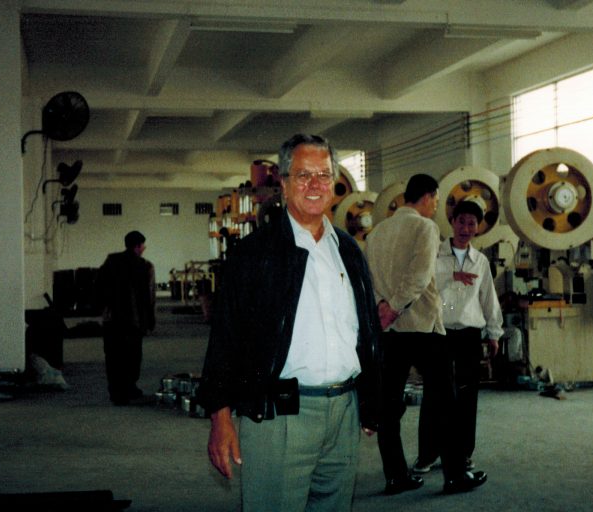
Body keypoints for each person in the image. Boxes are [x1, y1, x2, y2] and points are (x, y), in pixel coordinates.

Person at [198, 134, 381, 512]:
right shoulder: (253, 253)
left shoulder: (348, 250)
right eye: (303, 175)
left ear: (335, 183)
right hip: (279, 416)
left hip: (344, 413)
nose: (315, 185)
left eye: (324, 175)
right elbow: (226, 337)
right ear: (283, 183)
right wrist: (220, 416)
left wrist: (371, 399)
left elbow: (366, 328)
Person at [363, 173, 444, 495]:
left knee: (388, 406)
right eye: (436, 200)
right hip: (421, 326)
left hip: (390, 331)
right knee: (445, 399)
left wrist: (382, 308)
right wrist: (395, 307)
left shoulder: (377, 232)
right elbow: (419, 277)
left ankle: (395, 476)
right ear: (428, 196)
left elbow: (367, 279)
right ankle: (455, 472)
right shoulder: (426, 227)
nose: (436, 207)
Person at [413, 200, 501, 493]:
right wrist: (451, 276)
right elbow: (422, 284)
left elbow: (488, 298)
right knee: (435, 396)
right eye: (461, 221)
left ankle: (463, 454)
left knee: (466, 396)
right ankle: (427, 454)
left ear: (478, 227)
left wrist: (494, 332)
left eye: (472, 223)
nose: (466, 228)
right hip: (439, 332)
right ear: (451, 222)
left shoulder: (481, 261)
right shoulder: (434, 254)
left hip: (469, 335)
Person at [96, 230, 156, 405]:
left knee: (113, 357)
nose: (144, 248)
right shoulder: (145, 266)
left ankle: (116, 393)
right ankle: (129, 388)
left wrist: (103, 310)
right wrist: (150, 319)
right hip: (133, 321)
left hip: (112, 320)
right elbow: (149, 296)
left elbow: (98, 286)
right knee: (132, 356)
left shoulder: (111, 261)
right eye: (143, 245)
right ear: (137, 246)